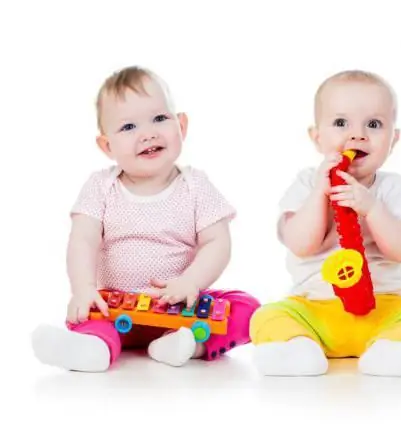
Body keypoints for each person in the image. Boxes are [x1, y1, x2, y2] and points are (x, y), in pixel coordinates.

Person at [31, 66, 260, 372]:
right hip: (114, 310)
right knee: (89, 316)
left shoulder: (196, 185)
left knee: (247, 308)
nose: (148, 133)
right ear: (107, 146)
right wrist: (83, 289)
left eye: (159, 119)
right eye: (128, 127)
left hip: (181, 309)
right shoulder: (101, 187)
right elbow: (82, 240)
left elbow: (217, 242)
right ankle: (91, 349)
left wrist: (190, 281)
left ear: (182, 126)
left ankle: (186, 344)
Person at [250, 70, 401, 377]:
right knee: (266, 315)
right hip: (314, 309)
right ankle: (297, 348)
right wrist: (320, 192)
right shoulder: (306, 184)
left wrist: (371, 207)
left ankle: (392, 351)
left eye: (374, 124)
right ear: (317, 138)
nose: (358, 135)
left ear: (393, 140)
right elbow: (301, 244)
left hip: (384, 309)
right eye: (341, 123)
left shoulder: (394, 187)